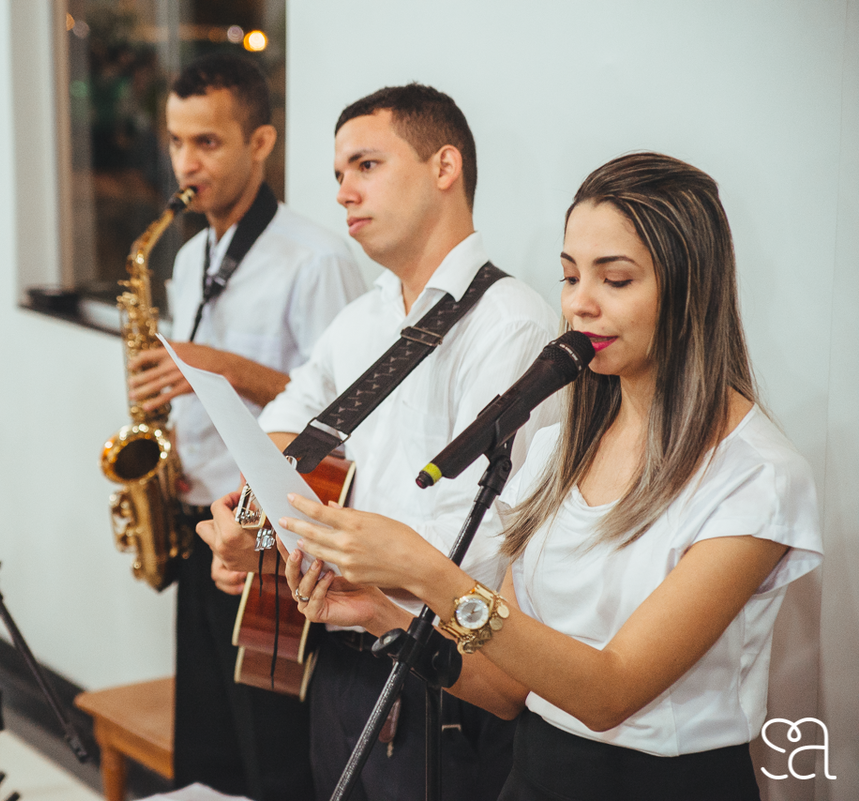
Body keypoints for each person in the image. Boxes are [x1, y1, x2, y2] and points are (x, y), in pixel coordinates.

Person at [280, 152, 824, 801]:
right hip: (534, 775)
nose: (579, 304)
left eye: (615, 279)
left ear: (690, 286)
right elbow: (509, 689)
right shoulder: (560, 447)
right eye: (569, 276)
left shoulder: (756, 476)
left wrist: (430, 573)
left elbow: (608, 693)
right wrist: (377, 611)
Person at [198, 84, 559, 801]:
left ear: (444, 167)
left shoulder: (510, 324)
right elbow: (288, 431)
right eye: (338, 175)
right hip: (336, 653)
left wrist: (296, 533)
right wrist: (246, 522)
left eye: (365, 165)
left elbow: (480, 537)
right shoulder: (363, 319)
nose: (342, 192)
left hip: (441, 670)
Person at [127, 53, 365, 801]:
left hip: (271, 543)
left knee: (275, 761)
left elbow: (349, 415)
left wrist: (216, 367)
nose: (186, 163)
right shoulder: (191, 252)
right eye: (175, 141)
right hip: (203, 526)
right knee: (209, 750)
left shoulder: (316, 258)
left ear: (261, 143)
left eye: (208, 142)